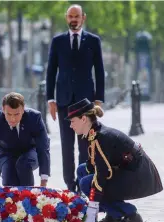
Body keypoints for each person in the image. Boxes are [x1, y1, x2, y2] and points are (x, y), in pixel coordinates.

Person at [66, 98, 163, 222]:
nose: (70, 126)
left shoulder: (101, 137)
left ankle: (129, 214)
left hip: (139, 175)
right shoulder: (94, 132)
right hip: (131, 170)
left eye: (72, 121)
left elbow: (101, 175)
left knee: (87, 183)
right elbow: (94, 163)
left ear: (83, 119)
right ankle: (112, 215)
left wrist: (92, 209)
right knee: (82, 170)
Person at [46, 4, 105, 192]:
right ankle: (70, 186)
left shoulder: (94, 41)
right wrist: (50, 100)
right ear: (66, 18)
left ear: (83, 18)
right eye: (70, 16)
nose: (73, 19)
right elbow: (50, 72)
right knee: (66, 146)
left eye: (77, 16)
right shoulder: (57, 41)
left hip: (86, 104)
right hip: (63, 101)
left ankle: (83, 183)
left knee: (85, 146)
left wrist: (98, 101)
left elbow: (100, 71)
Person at [0, 92, 50, 187]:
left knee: (23, 164)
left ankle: (29, 195)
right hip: (6, 153)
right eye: (9, 114)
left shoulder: (34, 118)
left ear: (23, 109)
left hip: (30, 151)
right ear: (3, 110)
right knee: (9, 177)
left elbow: (43, 148)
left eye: (17, 114)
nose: (13, 119)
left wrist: (44, 181)